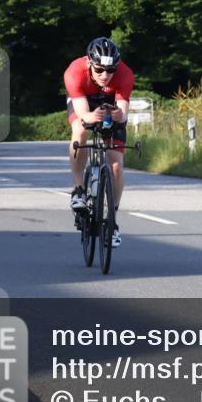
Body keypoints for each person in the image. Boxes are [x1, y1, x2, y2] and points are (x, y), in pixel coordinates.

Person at [64, 37, 133, 248]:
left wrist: (117, 115)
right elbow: (83, 115)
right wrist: (91, 117)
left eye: (110, 70)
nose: (105, 75)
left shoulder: (125, 74)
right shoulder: (74, 72)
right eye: (100, 69)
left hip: (110, 104)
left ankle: (111, 222)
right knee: (80, 130)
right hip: (84, 101)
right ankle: (78, 190)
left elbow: (123, 114)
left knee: (116, 165)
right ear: (90, 64)